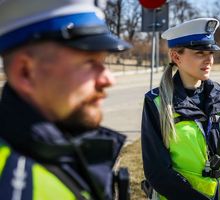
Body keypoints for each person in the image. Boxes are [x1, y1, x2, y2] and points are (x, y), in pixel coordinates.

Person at [0, 0, 131, 200]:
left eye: (103, 62)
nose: (109, 80)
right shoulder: (14, 187)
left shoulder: (61, 148)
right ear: (25, 72)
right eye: (89, 62)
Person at [141, 18, 220, 200]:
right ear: (176, 57)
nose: (209, 59)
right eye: (200, 53)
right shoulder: (156, 102)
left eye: (210, 52)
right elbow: (157, 172)